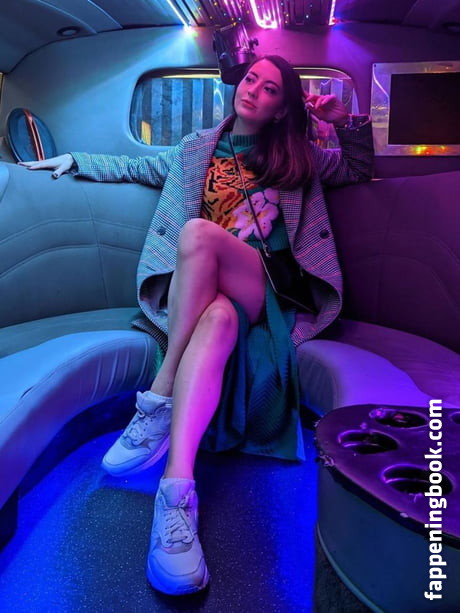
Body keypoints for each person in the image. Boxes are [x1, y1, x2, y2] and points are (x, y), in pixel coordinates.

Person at [19, 54, 374, 596]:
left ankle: (159, 395)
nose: (253, 90)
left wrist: (344, 120)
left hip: (266, 287)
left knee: (198, 235)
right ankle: (176, 494)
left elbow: (357, 168)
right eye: (250, 79)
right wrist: (73, 159)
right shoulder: (195, 148)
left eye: (270, 89)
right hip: (210, 297)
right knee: (216, 318)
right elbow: (134, 167)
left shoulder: (300, 156)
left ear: (283, 108)